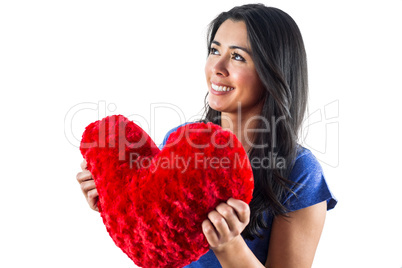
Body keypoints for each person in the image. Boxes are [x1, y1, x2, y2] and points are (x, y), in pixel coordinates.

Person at [76, 4, 337, 268]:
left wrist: (229, 246)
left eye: (238, 57)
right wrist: (116, 204)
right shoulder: (180, 141)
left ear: (273, 72)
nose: (217, 67)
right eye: (215, 50)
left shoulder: (300, 171)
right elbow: (157, 249)